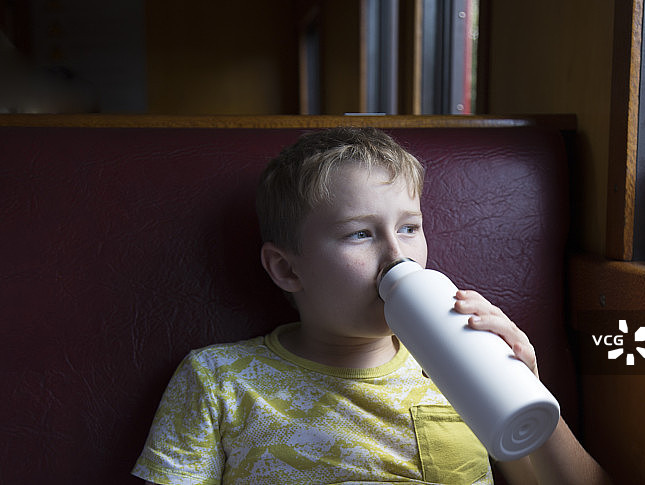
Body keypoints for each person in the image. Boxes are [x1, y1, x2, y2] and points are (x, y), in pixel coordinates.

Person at [132, 127, 611, 484]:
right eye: (360, 234)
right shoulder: (218, 379)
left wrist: (527, 389)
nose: (397, 256)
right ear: (287, 269)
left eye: (408, 227)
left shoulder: (464, 368)